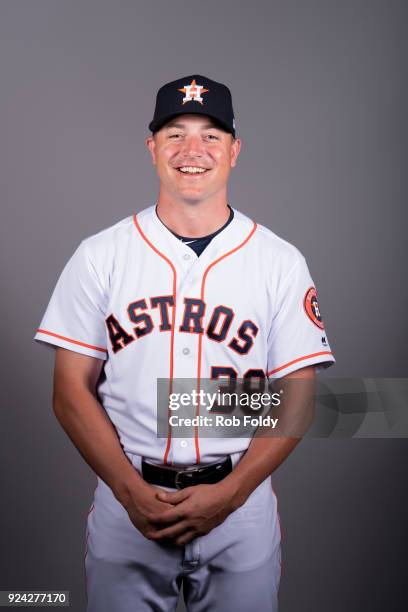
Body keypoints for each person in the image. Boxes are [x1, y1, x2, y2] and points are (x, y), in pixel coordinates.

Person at [34, 74, 335, 611]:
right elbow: (69, 391)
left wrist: (232, 492)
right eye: (175, 134)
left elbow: (300, 397)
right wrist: (128, 492)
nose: (192, 150)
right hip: (127, 499)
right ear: (152, 148)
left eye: (211, 135)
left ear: (235, 151)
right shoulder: (99, 255)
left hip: (240, 507)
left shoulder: (280, 262)